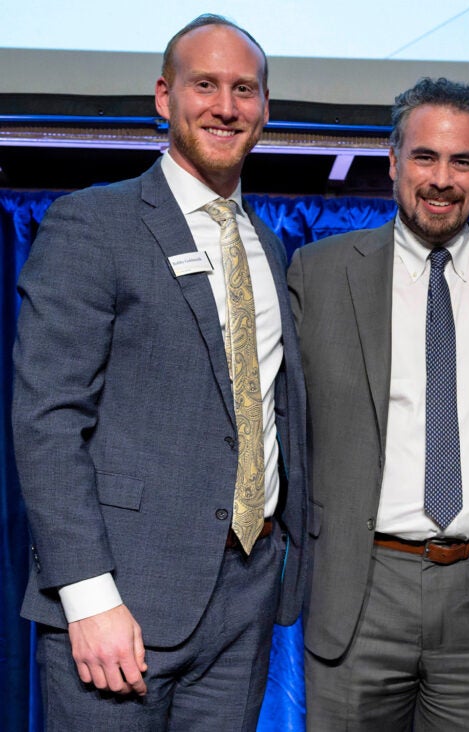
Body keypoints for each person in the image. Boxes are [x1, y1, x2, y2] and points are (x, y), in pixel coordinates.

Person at [11, 14, 308, 731]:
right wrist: (87, 597)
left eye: (245, 89)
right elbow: (47, 420)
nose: (226, 106)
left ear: (265, 108)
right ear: (163, 96)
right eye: (204, 84)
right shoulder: (94, 223)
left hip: (244, 597)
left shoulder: (266, 243)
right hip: (122, 600)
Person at [289, 77, 469, 731]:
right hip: (360, 583)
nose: (442, 178)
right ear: (394, 161)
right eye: (426, 157)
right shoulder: (318, 273)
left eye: (463, 161)